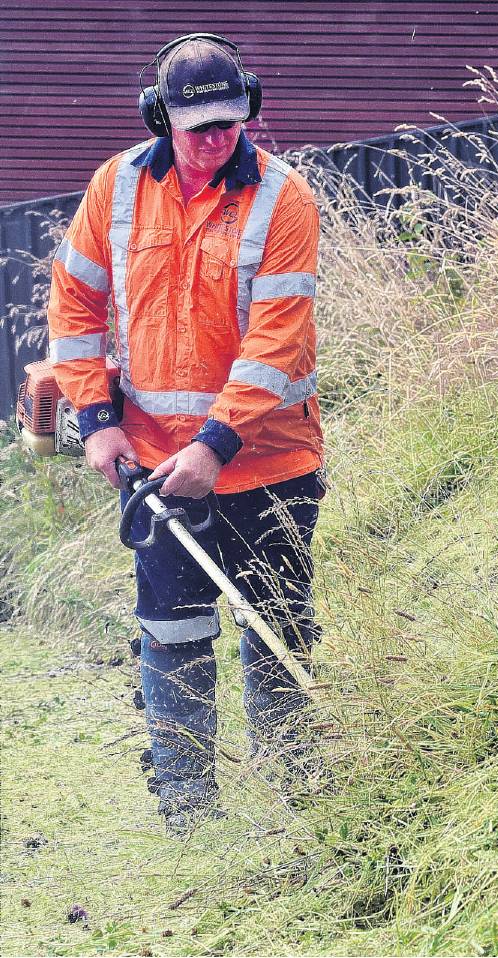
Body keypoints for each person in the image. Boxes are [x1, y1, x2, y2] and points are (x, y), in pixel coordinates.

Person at [46, 33, 324, 834]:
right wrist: (95, 420)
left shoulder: (285, 200)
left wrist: (216, 444)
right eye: (197, 124)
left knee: (277, 629)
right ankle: (190, 815)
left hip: (270, 462)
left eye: (229, 122)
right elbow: (74, 305)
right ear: (159, 116)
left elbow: (278, 341)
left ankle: (293, 798)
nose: (215, 138)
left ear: (250, 111)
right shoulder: (117, 187)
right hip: (155, 471)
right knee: (172, 635)